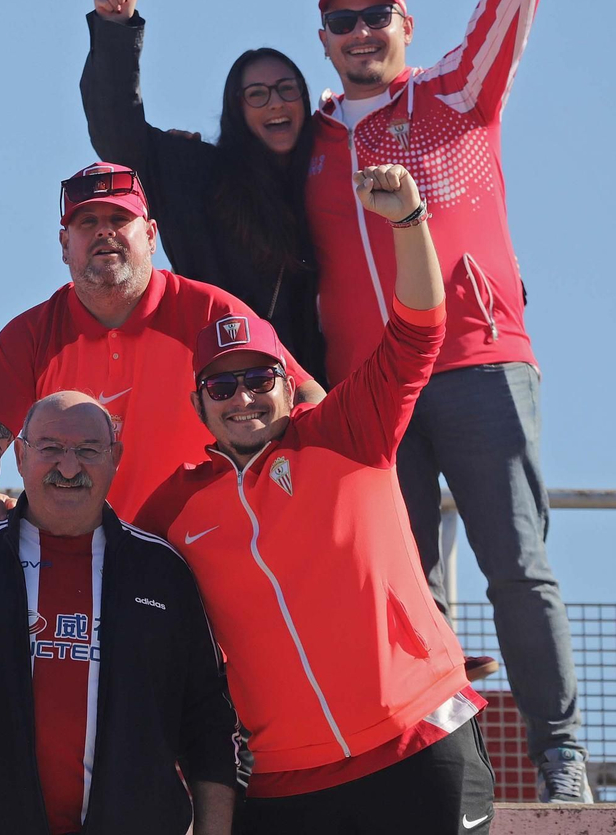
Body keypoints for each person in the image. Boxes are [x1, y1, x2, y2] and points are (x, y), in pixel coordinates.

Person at [302, 0, 587, 800]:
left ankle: (559, 753)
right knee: (404, 583)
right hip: (372, 385)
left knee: (515, 560)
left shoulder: (458, 93)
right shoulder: (305, 144)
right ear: (323, 39)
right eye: (341, 19)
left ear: (403, 26)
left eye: (375, 14)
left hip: (474, 357)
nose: (360, 31)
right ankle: (421, 760)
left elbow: (506, 9)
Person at [137, 164, 496, 833]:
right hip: (287, 783)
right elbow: (97, 562)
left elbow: (418, 331)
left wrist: (409, 223)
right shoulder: (175, 510)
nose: (242, 397)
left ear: (285, 381)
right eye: (222, 388)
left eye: (257, 378)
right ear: (198, 405)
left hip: (419, 741)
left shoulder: (345, 432)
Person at [0, 391, 245, 835]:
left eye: (87, 450)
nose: (69, 467)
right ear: (22, 456)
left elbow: (211, 722)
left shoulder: (161, 572)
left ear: (115, 457)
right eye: (50, 449)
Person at [0, 161, 323, 534]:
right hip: (82, 562)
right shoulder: (30, 335)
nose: (104, 231)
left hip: (205, 550)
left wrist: (299, 487)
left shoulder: (210, 313)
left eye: (119, 217)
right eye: (87, 222)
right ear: (65, 245)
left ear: (150, 235)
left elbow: (302, 393)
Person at [81, 0, 326, 381]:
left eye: (287, 90)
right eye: (257, 94)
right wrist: (116, 32)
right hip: (223, 381)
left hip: (322, 388)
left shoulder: (332, 177)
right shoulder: (200, 174)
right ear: (237, 109)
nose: (275, 104)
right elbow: (120, 136)